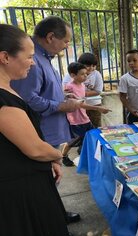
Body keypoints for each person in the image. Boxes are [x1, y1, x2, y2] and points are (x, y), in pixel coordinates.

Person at [11, 16, 81, 224]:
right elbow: (27, 99)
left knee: (52, 178)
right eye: (66, 41)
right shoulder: (32, 61)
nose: (67, 45)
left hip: (50, 131)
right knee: (48, 177)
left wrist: (63, 98)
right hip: (42, 133)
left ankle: (55, 212)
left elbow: (43, 91)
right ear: (51, 37)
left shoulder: (44, 59)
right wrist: (60, 105)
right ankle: (51, 218)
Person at [0, 24, 69, 236]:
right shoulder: (3, 100)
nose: (32, 62)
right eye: (29, 56)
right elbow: (35, 149)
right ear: (5, 57)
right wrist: (57, 155)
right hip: (21, 191)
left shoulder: (8, 87)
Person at [62, 62, 111, 159]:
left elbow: (82, 101)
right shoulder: (69, 87)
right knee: (72, 141)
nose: (85, 76)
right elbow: (79, 104)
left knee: (91, 136)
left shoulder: (82, 85)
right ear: (73, 75)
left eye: (86, 74)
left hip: (84, 117)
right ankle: (63, 156)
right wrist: (99, 108)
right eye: (82, 74)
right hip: (75, 120)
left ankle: (87, 156)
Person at [62, 52, 104, 128]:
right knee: (79, 128)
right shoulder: (71, 74)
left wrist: (81, 93)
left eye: (94, 66)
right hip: (77, 107)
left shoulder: (96, 74)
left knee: (95, 127)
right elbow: (65, 90)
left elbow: (98, 91)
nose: (91, 68)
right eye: (88, 65)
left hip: (93, 104)